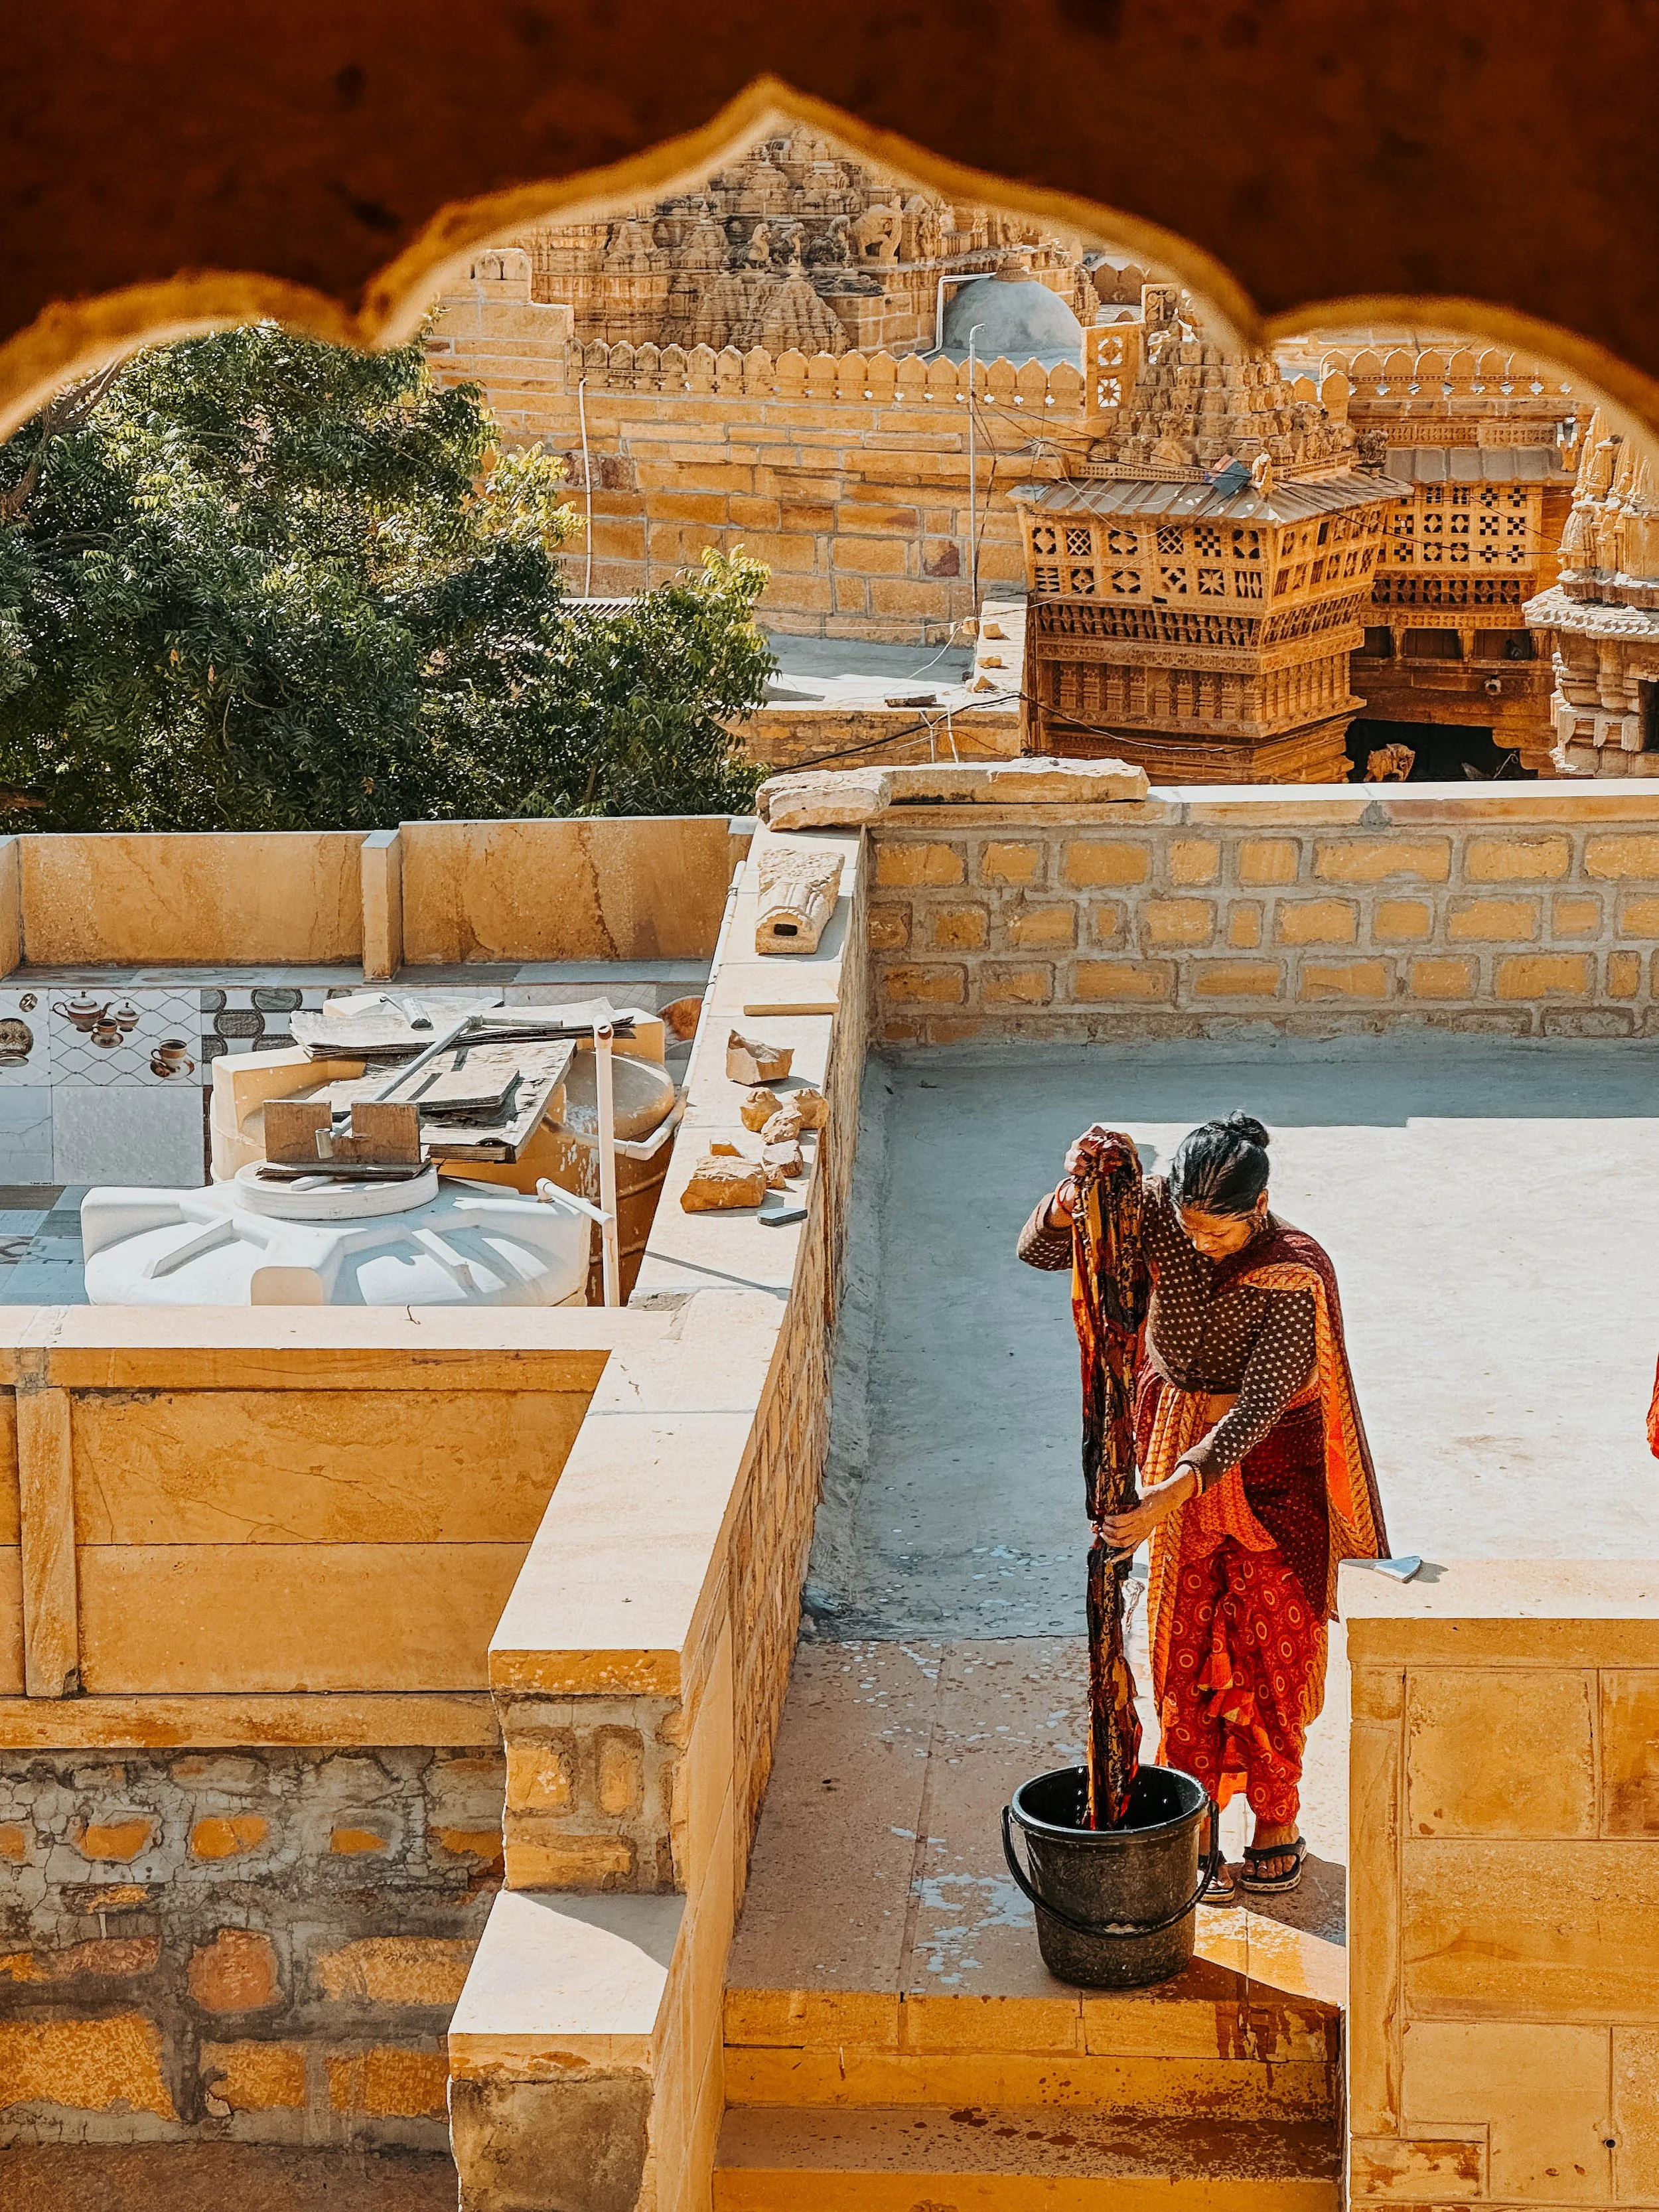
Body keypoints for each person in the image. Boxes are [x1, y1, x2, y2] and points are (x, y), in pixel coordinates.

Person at [1018, 1112, 1388, 1896]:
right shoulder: (1156, 1210)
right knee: (1182, 1641)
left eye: (1218, 1234)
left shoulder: (1295, 1270)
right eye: (1189, 1229)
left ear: (1259, 1208)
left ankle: (1275, 1818)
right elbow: (1046, 1252)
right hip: (1169, 1435)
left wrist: (1165, 1497)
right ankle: (1194, 1819)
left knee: (1272, 1648)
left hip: (1269, 1474)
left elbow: (1260, 1405)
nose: (1200, 1246)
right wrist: (1074, 1195)